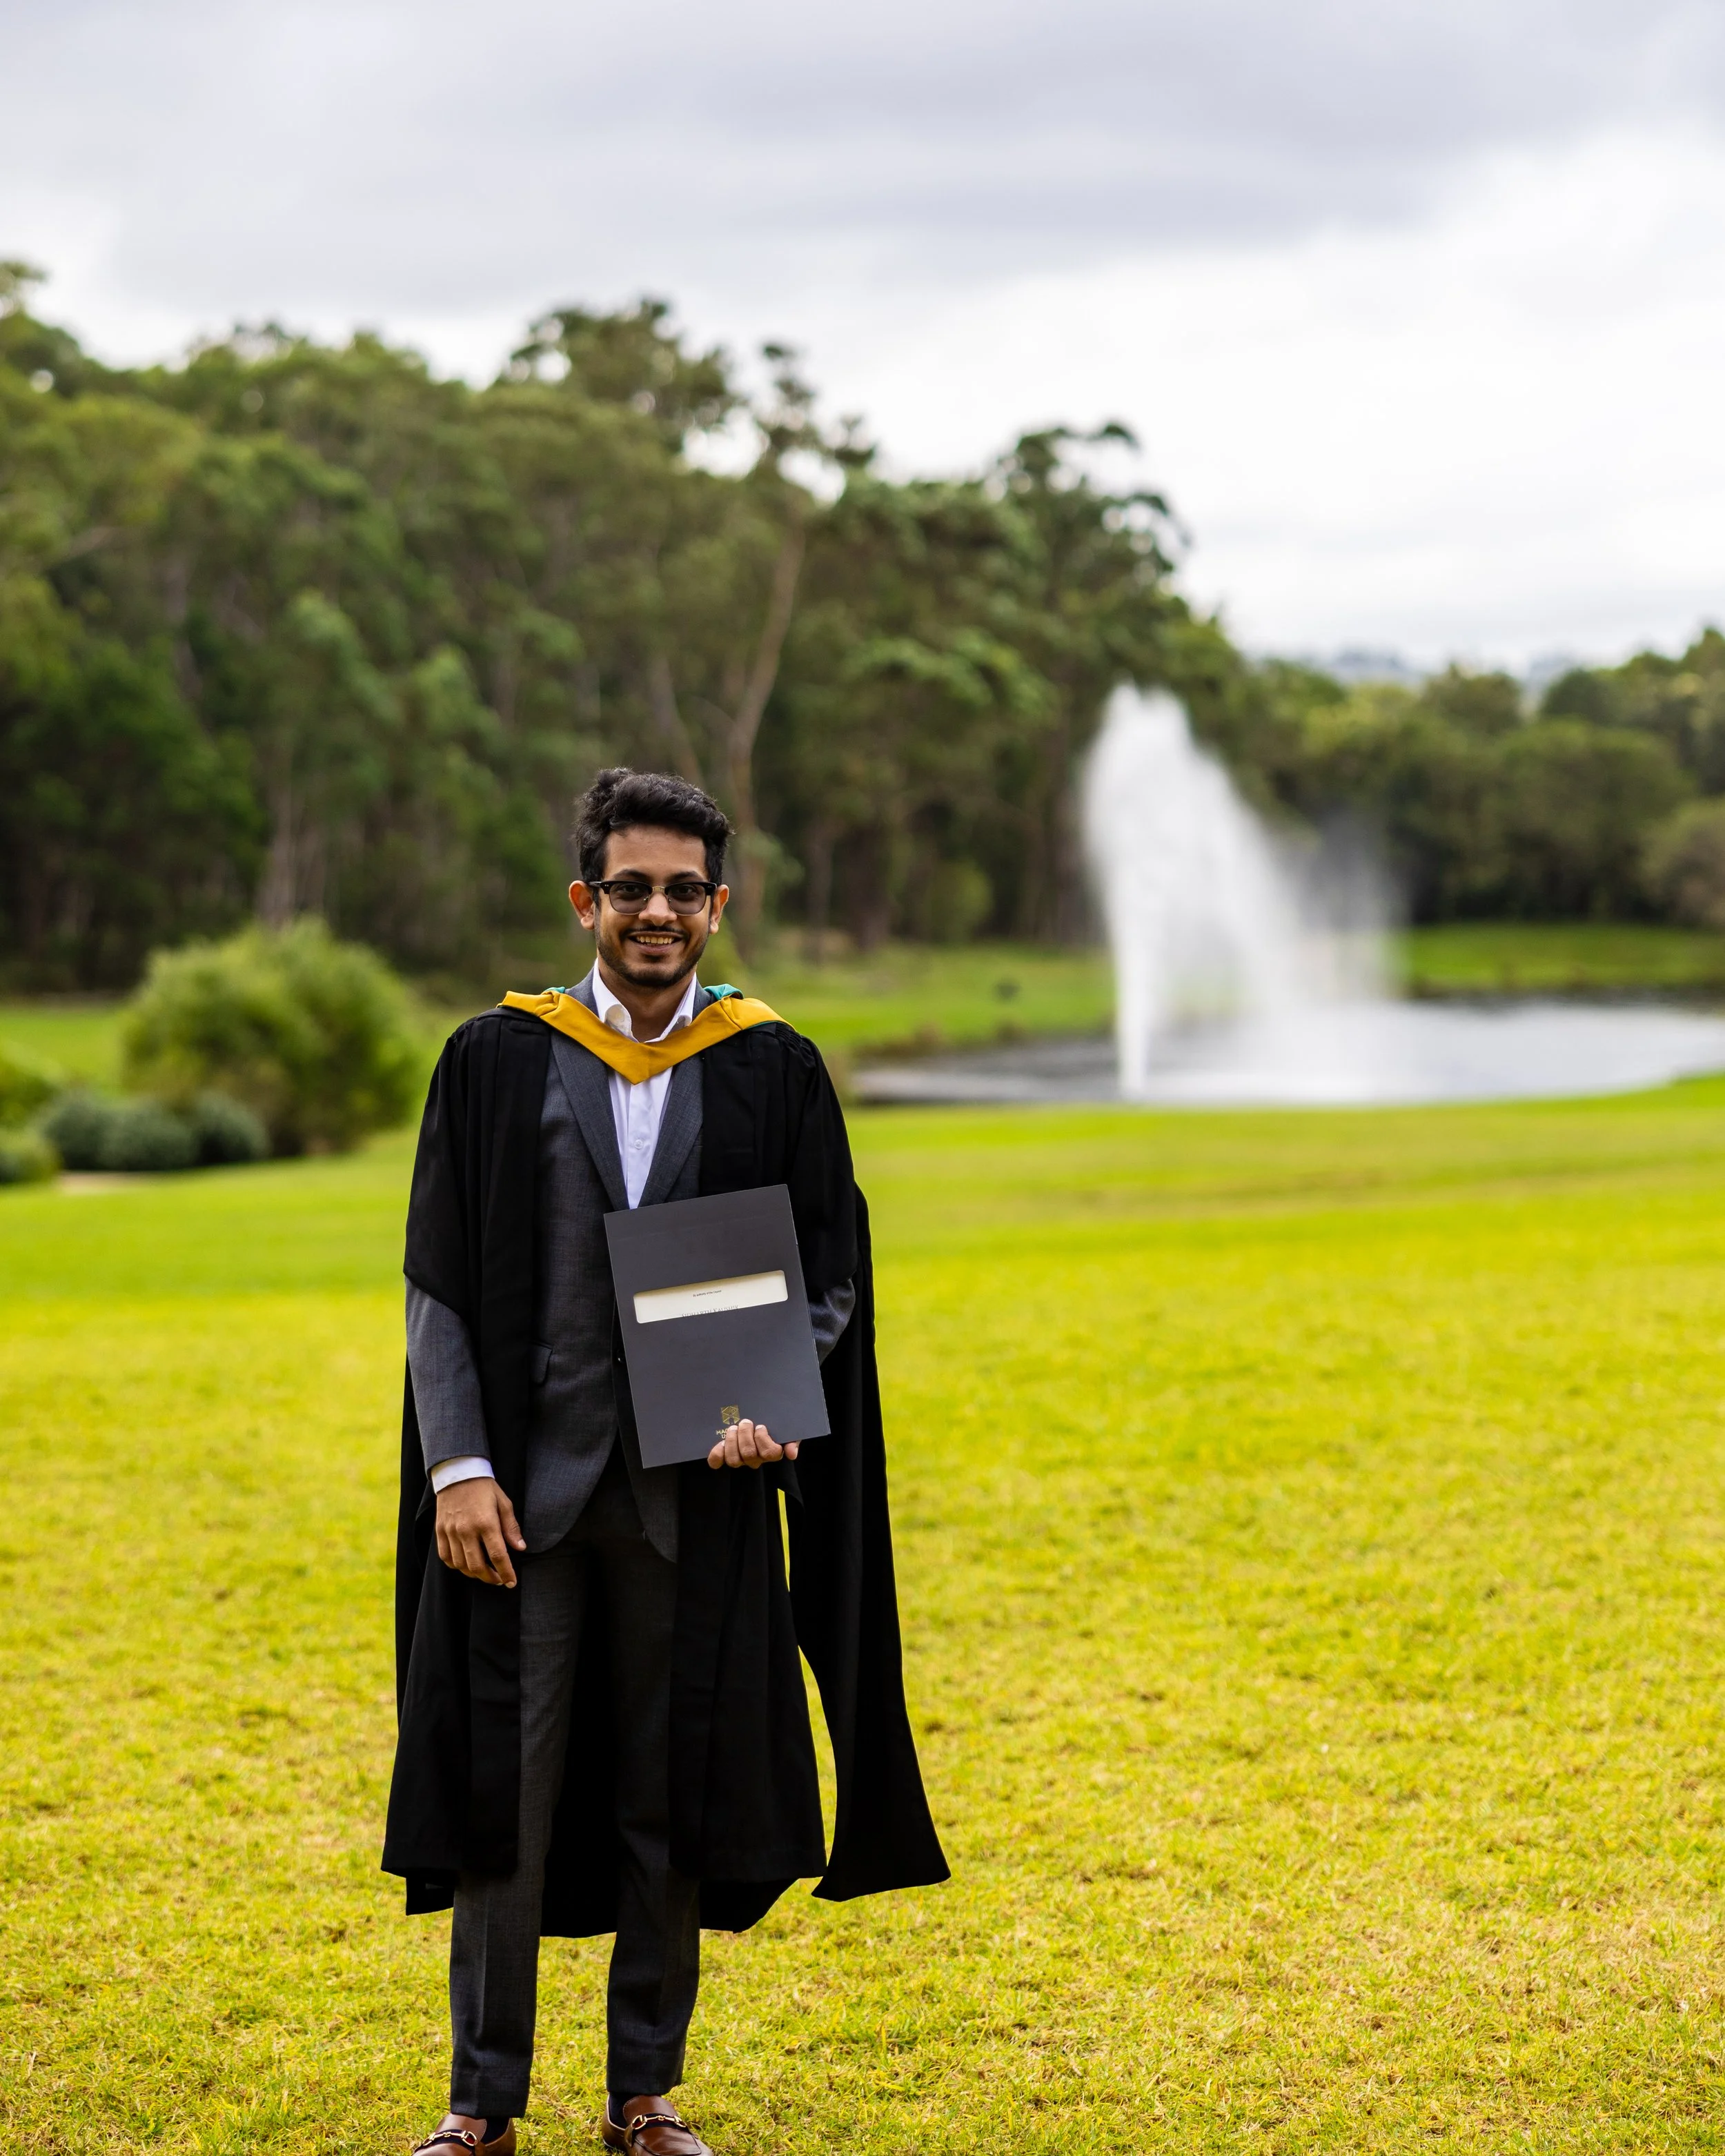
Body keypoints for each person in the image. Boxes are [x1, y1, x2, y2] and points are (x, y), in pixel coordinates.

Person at [385, 769, 947, 2156]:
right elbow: (437, 1283)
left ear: (717, 902)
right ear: (586, 898)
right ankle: (480, 2099)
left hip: (694, 1497)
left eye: (682, 889)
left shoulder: (770, 1064)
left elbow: (830, 1276)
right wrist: (456, 1463)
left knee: (667, 1790)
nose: (655, 910)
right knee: (501, 1802)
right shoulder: (494, 1056)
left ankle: (644, 2090)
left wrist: (782, 1402)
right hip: (525, 1493)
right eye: (628, 886)